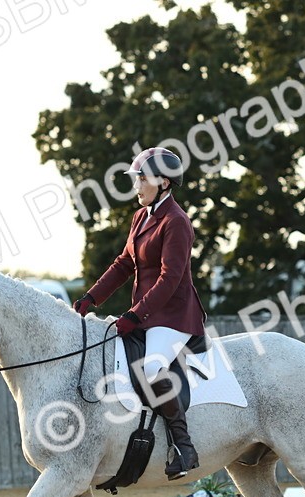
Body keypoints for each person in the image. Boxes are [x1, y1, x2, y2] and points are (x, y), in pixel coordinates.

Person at [73, 146, 207, 479]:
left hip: (174, 316)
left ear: (163, 182)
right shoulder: (141, 216)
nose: (137, 185)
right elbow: (124, 264)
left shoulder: (176, 222)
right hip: (147, 314)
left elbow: (170, 278)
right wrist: (92, 297)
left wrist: (134, 316)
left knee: (152, 366)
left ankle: (183, 447)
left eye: (142, 179)